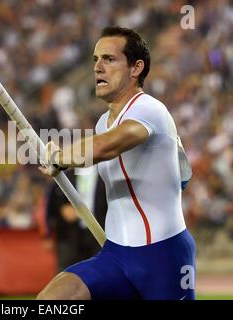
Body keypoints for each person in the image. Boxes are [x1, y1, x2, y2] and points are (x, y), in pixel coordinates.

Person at [37, 26, 196, 300]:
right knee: (52, 300)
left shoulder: (149, 108)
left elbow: (107, 146)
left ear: (136, 68)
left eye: (109, 59)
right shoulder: (102, 123)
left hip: (163, 256)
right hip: (117, 256)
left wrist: (61, 157)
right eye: (95, 59)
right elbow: (182, 176)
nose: (98, 67)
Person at [46, 166, 106, 271]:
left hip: (102, 233)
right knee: (69, 274)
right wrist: (62, 209)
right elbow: (53, 204)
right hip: (71, 236)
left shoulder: (106, 174)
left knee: (102, 273)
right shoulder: (66, 175)